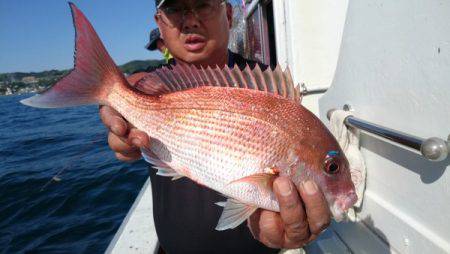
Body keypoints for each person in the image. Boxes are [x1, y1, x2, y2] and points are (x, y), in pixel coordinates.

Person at [99, 0, 331, 253]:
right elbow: (132, 83)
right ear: (159, 23)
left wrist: (294, 223)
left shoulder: (266, 88)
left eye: (203, 4)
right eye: (175, 9)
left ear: (229, 14)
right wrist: (114, 109)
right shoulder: (151, 85)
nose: (190, 20)